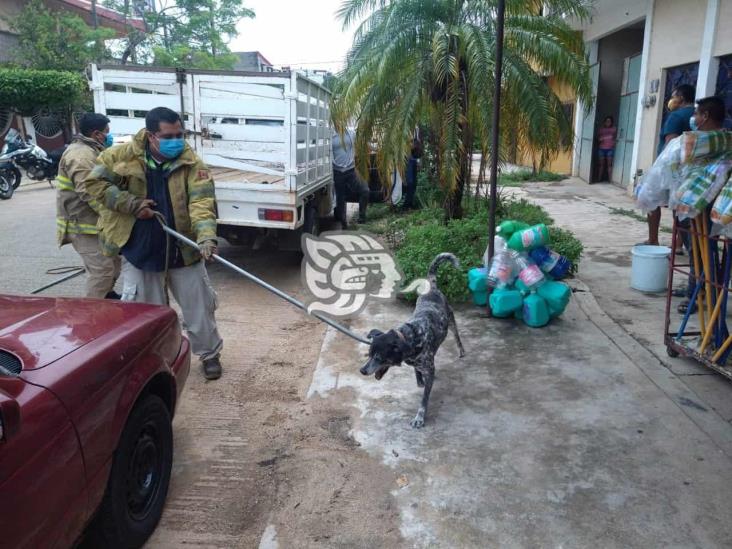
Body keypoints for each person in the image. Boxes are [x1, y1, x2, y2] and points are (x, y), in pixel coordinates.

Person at [85, 107, 224, 380]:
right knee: (147, 315)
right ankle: (158, 364)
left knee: (200, 308)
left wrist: (206, 236)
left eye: (179, 134)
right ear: (151, 136)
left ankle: (209, 354)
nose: (176, 140)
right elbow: (94, 185)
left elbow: (201, 203)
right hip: (141, 250)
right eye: (168, 135)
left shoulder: (192, 164)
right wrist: (131, 204)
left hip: (183, 251)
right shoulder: (118, 157)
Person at [56, 113, 121, 299]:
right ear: (96, 134)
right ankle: (91, 314)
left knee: (114, 262)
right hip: (83, 226)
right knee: (102, 271)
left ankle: (107, 297)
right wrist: (115, 215)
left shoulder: (93, 150)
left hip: (95, 224)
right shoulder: (80, 155)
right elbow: (89, 192)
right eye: (107, 132)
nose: (109, 136)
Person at [646, 84, 696, 245]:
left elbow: (670, 145)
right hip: (691, 168)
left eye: (674, 96)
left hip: (671, 168)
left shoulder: (676, 116)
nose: (671, 100)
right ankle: (678, 244)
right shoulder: (697, 115)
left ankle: (653, 240)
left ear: (681, 98)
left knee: (651, 199)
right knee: (679, 205)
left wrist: (661, 172)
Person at [332, 128, 368, 227]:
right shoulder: (331, 135)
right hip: (337, 172)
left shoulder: (351, 134)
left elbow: (362, 143)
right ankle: (343, 222)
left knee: (365, 190)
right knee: (340, 198)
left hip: (351, 171)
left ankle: (362, 217)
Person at [402, 137, 422, 210]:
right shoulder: (405, 149)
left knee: (414, 185)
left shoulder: (416, 150)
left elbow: (418, 158)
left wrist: (418, 163)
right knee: (410, 184)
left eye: (414, 143)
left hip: (413, 168)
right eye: (412, 143)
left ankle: (409, 204)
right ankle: (406, 205)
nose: (413, 145)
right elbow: (407, 158)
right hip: (408, 168)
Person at [596, 116, 617, 182]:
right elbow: (598, 139)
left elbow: (616, 138)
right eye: (607, 121)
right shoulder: (601, 129)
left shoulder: (614, 129)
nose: (608, 122)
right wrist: (601, 139)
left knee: (609, 165)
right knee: (601, 165)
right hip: (602, 149)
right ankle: (599, 179)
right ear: (604, 122)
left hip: (610, 149)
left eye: (609, 121)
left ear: (611, 122)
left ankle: (610, 180)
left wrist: (614, 143)